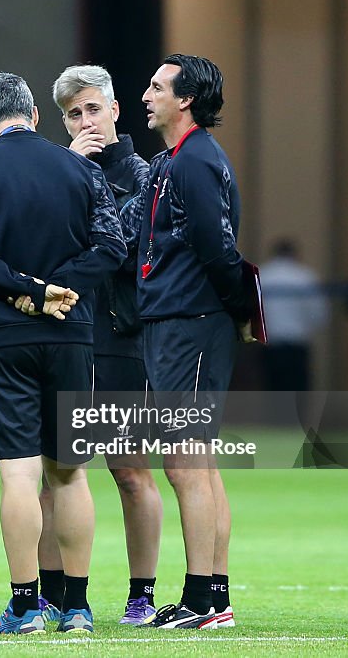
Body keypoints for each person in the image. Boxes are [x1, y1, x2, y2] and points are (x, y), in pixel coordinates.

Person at [0, 72, 126, 634]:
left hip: (2, 340)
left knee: (18, 476)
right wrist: (57, 289)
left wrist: (28, 290)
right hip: (72, 335)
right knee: (70, 474)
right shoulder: (79, 168)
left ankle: (25, 606)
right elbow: (113, 246)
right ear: (36, 116)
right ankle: (77, 607)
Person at [129, 54, 250, 629]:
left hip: (192, 323)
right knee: (198, 463)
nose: (146, 94)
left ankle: (202, 599)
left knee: (186, 463)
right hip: (175, 321)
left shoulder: (196, 160)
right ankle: (214, 593)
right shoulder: (177, 159)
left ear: (186, 100)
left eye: (157, 86)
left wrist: (238, 309)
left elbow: (217, 247)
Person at [42, 64, 161, 626]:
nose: (86, 121)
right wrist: (71, 168)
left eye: (93, 109)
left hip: (120, 337)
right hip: (64, 333)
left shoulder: (145, 174)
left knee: (130, 470)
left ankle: (142, 593)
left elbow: (120, 242)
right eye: (74, 114)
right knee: (58, 471)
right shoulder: (59, 170)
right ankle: (49, 591)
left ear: (116, 109)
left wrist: (78, 172)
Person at [260, 238, 328, 391]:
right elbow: (319, 314)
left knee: (272, 393)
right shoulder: (304, 277)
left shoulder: (263, 276)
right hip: (297, 345)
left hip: (270, 347)